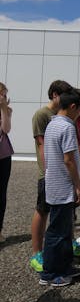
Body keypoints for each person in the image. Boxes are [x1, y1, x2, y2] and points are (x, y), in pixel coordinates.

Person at [39, 88, 80, 287]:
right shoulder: (66, 127)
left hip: (55, 183)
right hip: (63, 187)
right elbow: (69, 160)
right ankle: (49, 274)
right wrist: (78, 187)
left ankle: (65, 268)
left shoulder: (52, 124)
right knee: (57, 233)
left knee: (65, 231)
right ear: (73, 106)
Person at [0, 83, 13, 244]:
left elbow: (6, 129)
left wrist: (3, 109)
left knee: (1, 193)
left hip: (3, 155)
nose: (3, 97)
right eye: (2, 94)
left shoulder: (7, 110)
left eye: (5, 94)